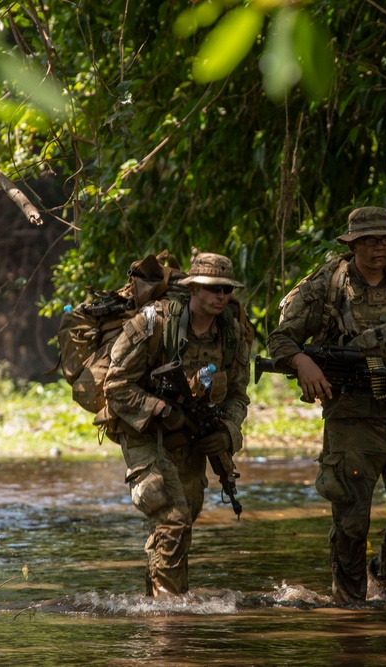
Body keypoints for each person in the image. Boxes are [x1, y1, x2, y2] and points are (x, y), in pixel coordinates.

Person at [266, 206, 386, 604]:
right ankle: (350, 606)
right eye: (372, 240)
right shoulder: (327, 283)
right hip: (351, 417)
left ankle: (385, 575)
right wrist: (303, 362)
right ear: (353, 244)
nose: (381, 246)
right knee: (351, 520)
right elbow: (280, 340)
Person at [104, 251, 251, 596]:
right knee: (172, 517)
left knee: (183, 522)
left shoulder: (231, 333)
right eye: (213, 288)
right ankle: (170, 617)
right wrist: (158, 408)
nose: (221, 296)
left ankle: (160, 610)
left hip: (190, 434)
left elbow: (238, 396)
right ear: (193, 288)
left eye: (226, 289)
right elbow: (116, 387)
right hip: (144, 432)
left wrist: (227, 434)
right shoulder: (152, 323)